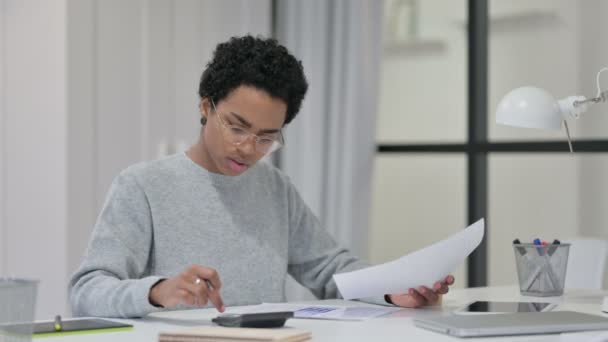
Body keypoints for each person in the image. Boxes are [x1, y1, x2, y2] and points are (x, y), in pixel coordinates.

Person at [68, 35, 454, 318]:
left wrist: (392, 291)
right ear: (206, 106)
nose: (248, 148)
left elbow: (329, 269)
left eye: (267, 137)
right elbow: (87, 290)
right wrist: (156, 291)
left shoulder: (275, 189)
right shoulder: (143, 185)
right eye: (236, 127)